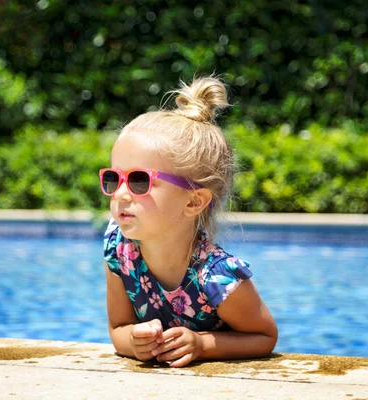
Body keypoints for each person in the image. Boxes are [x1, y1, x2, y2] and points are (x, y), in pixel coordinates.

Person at [100, 76, 278, 368]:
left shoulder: (217, 278)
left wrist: (202, 344)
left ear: (193, 201)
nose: (120, 194)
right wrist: (134, 341)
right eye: (113, 178)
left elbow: (264, 335)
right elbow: (118, 328)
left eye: (139, 180)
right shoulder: (120, 249)